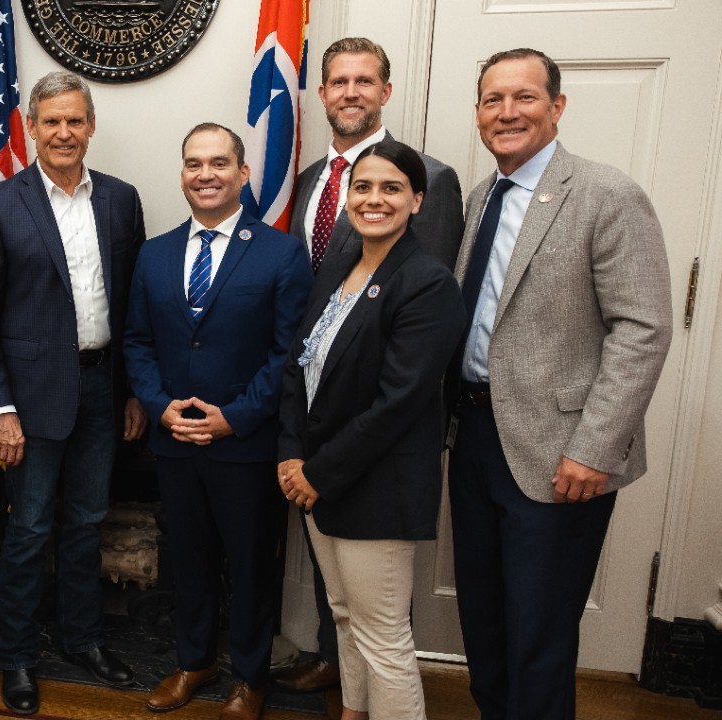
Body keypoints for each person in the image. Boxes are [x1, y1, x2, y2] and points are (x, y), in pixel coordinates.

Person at [449, 48, 672, 720]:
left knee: (539, 634)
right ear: (480, 113)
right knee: (483, 621)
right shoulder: (480, 196)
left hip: (560, 451)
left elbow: (643, 331)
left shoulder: (607, 195)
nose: (506, 112)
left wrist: (594, 446)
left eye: (524, 97)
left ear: (557, 107)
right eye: (493, 99)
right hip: (476, 435)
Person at [280, 35, 466, 695]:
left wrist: (327, 463)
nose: (350, 92)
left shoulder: (432, 180)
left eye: (365, 81)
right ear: (323, 93)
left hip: (376, 444)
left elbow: (411, 337)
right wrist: (301, 446)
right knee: (345, 604)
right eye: (338, 81)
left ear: (385, 91)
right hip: (320, 423)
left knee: (381, 621)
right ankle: (341, 676)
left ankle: (359, 684)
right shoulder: (307, 183)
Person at [0, 70, 148, 715]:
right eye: (51, 122)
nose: (64, 132)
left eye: (75, 120)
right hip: (31, 399)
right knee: (31, 527)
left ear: (90, 126)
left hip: (102, 387)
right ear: (32, 128)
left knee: (87, 522)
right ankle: (16, 657)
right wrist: (0, 409)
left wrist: (131, 391)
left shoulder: (121, 200)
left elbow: (130, 306)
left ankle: (82, 640)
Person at [125, 123, 311, 720]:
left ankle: (251, 677)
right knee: (190, 558)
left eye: (219, 163)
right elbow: (136, 341)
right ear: (182, 174)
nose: (205, 174)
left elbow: (289, 353)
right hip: (176, 441)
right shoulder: (153, 253)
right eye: (193, 164)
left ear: (242, 173)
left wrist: (235, 418)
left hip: (245, 445)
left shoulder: (281, 251)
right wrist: (159, 406)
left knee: (252, 564)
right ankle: (194, 660)